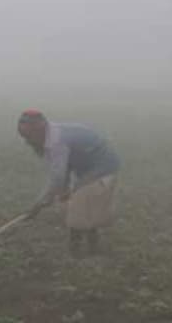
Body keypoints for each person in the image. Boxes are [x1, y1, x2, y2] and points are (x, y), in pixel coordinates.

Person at [16, 110, 121, 258]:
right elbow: (62, 171)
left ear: (39, 131)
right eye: (25, 137)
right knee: (80, 204)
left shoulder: (57, 141)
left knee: (79, 208)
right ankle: (88, 248)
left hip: (102, 167)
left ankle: (79, 251)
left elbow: (57, 177)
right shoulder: (49, 134)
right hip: (84, 167)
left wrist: (38, 204)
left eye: (30, 137)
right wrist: (61, 191)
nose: (28, 142)